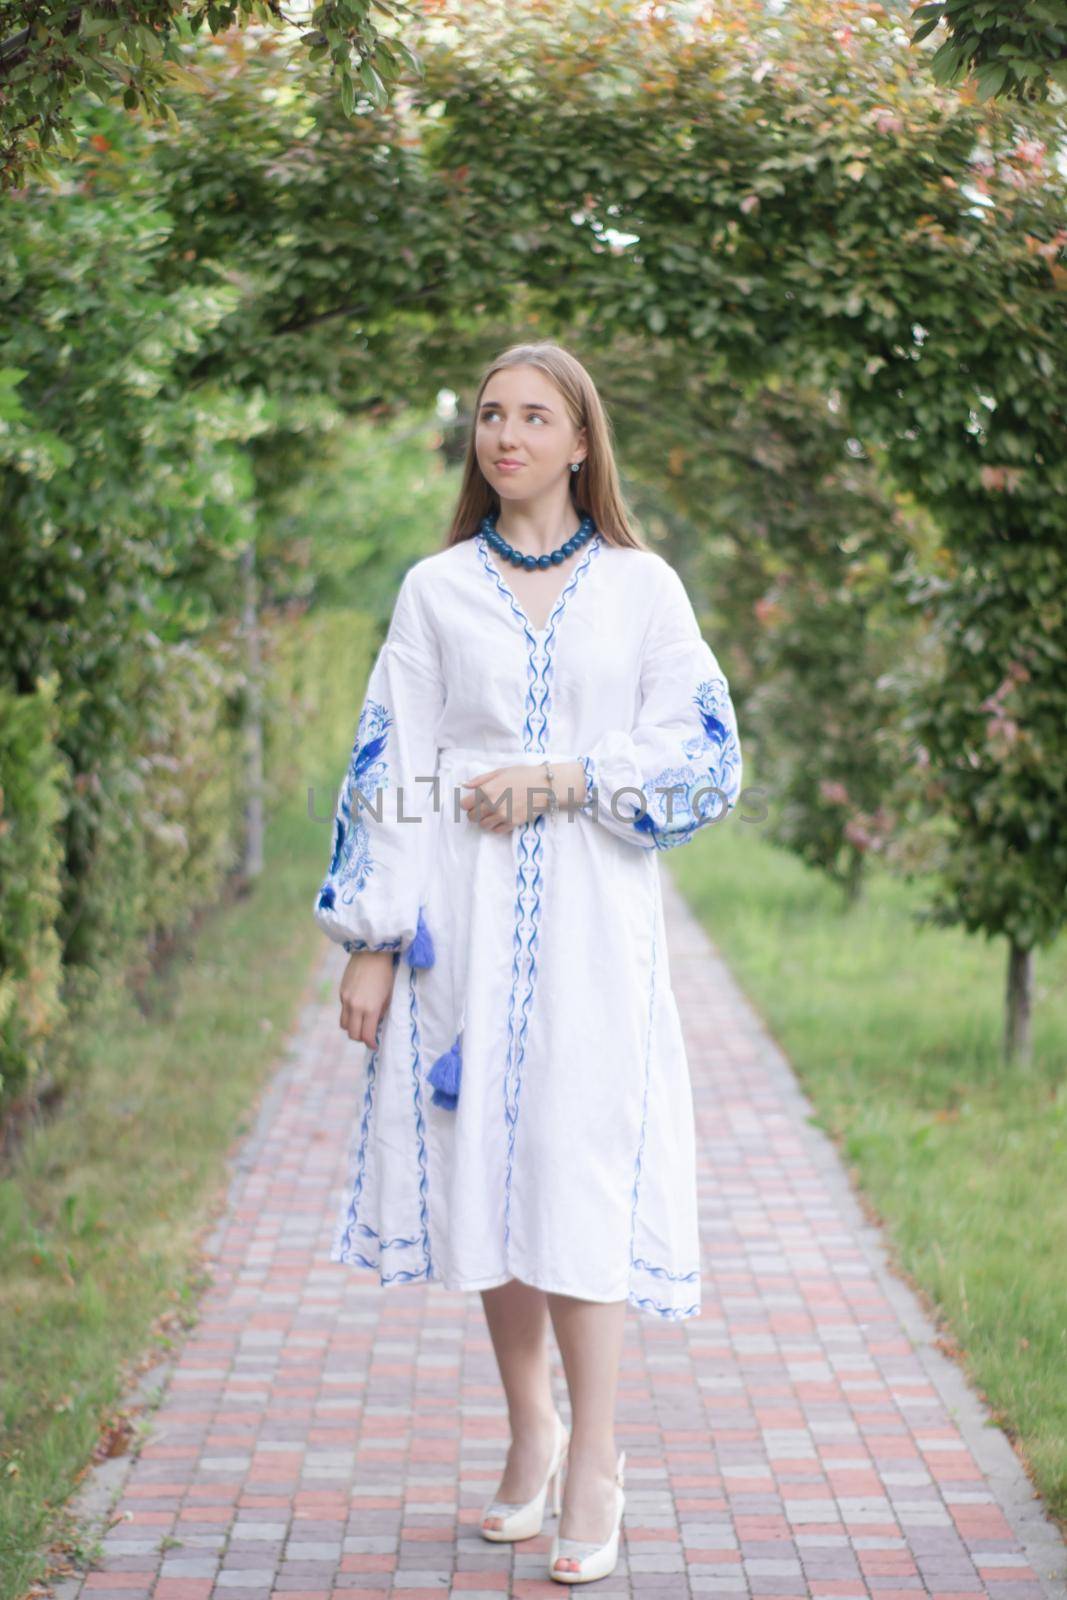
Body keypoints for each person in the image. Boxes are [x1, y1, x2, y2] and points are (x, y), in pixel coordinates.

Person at [313, 340, 742, 1583]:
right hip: (462, 918)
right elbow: (388, 767)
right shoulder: (433, 589)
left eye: (533, 416)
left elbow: (707, 754)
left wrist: (562, 776)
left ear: (578, 441)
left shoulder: (643, 590)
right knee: (488, 1173)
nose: (505, 435)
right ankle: (530, 1430)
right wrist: (373, 946)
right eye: (490, 416)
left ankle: (597, 1454)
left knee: (576, 1168)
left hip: (598, 932)